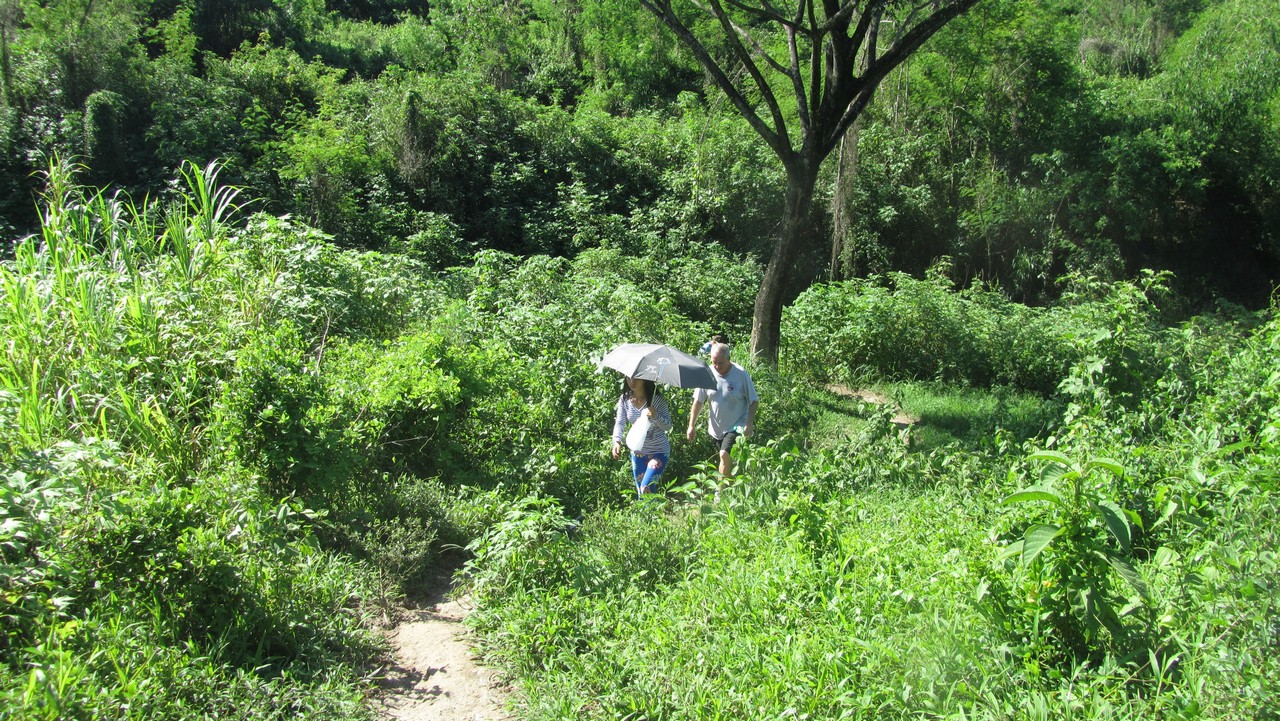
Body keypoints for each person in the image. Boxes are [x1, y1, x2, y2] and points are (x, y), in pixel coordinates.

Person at [686, 343, 758, 477]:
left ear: (728, 359)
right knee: (727, 462)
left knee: (724, 455)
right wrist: (691, 425)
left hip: (737, 424)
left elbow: (753, 401)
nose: (717, 366)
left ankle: (720, 489)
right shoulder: (707, 373)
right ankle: (731, 485)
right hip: (716, 429)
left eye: (721, 363)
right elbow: (698, 401)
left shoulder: (740, 374)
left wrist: (749, 424)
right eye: (714, 363)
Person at [612, 376, 673, 496]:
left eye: (636, 378)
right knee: (641, 492)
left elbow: (668, 426)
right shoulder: (625, 399)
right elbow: (620, 422)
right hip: (637, 452)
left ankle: (654, 507)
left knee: (646, 487)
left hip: (659, 451)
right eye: (629, 378)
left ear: (644, 379)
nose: (632, 381)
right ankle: (652, 509)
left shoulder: (657, 399)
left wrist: (655, 416)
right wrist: (617, 441)